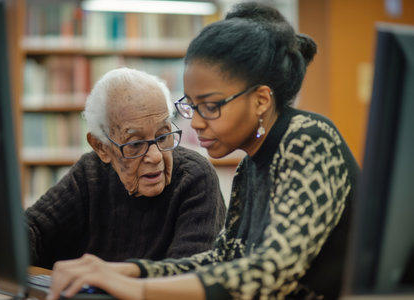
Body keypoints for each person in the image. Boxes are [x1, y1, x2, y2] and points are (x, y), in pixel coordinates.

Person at [46, 2, 360, 300]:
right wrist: (125, 270)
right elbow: (220, 261)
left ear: (261, 100)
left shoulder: (310, 139)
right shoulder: (250, 166)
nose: (195, 123)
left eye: (209, 106)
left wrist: (137, 290)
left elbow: (271, 270)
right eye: (191, 106)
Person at [25, 67, 226, 270]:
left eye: (163, 136)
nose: (156, 156)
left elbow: (187, 277)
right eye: (135, 144)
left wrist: (109, 276)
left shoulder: (194, 177)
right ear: (101, 147)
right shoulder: (90, 173)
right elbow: (31, 231)